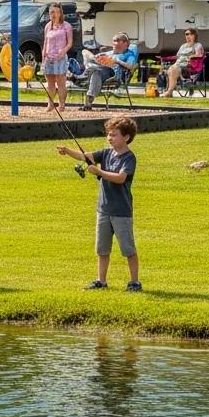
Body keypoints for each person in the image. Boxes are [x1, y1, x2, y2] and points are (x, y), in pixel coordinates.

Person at [56, 115, 141, 292]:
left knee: (128, 249)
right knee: (102, 249)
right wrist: (67, 151)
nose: (110, 138)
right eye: (108, 134)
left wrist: (99, 172)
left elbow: (120, 178)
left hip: (121, 211)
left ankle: (134, 282)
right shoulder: (106, 153)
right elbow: (84, 156)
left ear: (126, 137)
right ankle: (101, 281)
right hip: (103, 209)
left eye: (114, 135)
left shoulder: (129, 158)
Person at [79, 33, 138, 111]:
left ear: (125, 43)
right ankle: (88, 102)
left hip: (114, 74)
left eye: (116, 40)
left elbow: (131, 67)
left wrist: (117, 61)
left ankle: (80, 78)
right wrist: (95, 58)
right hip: (101, 71)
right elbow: (88, 54)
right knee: (92, 64)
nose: (113, 43)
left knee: (96, 70)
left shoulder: (129, 55)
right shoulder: (108, 53)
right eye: (113, 41)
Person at [41, 2, 73, 114]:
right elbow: (45, 42)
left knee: (61, 82)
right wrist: (43, 55)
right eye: (51, 12)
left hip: (60, 58)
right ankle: (50, 104)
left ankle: (62, 104)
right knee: (49, 83)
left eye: (56, 12)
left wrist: (63, 51)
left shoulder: (66, 26)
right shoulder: (48, 26)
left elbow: (69, 43)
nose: (54, 14)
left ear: (60, 13)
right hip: (48, 57)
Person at [161, 28, 205, 98]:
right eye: (186, 34)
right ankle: (169, 91)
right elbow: (177, 56)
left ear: (194, 35)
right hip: (178, 65)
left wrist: (191, 56)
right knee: (169, 69)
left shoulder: (197, 45)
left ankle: (169, 92)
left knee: (172, 69)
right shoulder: (183, 46)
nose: (188, 36)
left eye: (190, 34)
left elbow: (200, 55)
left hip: (188, 67)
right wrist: (165, 58)